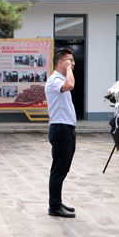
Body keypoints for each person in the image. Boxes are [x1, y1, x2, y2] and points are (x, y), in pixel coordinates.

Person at [44, 48, 77, 219]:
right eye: (69, 60)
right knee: (58, 169)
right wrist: (68, 68)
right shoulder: (54, 80)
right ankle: (54, 206)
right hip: (60, 129)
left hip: (67, 128)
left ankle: (57, 201)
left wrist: (68, 68)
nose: (73, 63)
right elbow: (70, 85)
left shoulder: (61, 79)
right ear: (60, 62)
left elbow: (69, 83)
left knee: (63, 169)